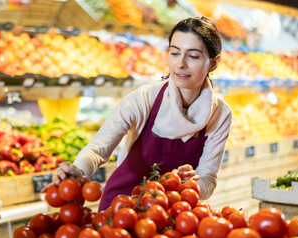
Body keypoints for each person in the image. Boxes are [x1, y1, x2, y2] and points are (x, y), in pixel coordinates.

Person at [47, 16, 232, 211]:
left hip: (171, 217)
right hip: (120, 209)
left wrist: (192, 185)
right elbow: (97, 149)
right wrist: (77, 171)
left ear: (213, 63)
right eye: (174, 53)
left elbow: (208, 179)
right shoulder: (145, 98)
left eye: (193, 56)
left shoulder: (220, 114)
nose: (180, 64)